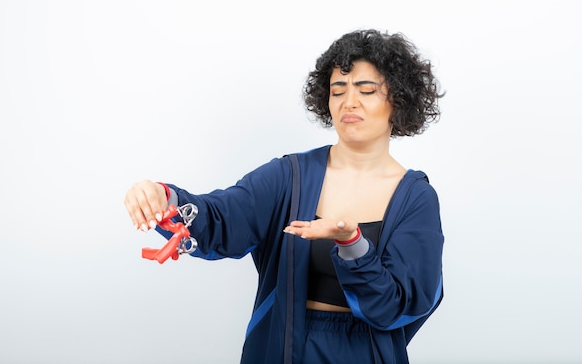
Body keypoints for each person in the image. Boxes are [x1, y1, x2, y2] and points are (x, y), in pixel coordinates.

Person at [124, 29, 445, 364]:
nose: (349, 101)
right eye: (338, 91)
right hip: (282, 346)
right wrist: (164, 198)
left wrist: (352, 244)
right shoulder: (288, 177)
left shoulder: (416, 199)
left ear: (399, 100)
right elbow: (222, 218)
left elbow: (398, 306)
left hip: (365, 353)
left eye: (366, 90)